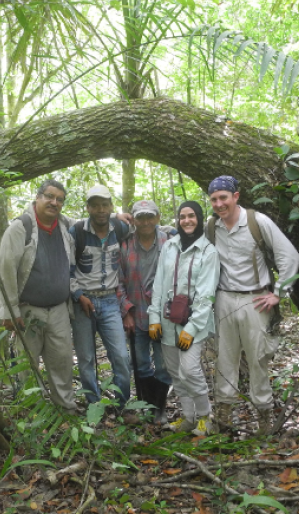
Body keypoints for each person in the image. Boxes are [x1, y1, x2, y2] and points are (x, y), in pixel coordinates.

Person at [208, 175, 299, 435]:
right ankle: (224, 420)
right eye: (214, 199)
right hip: (224, 299)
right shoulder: (212, 226)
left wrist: (279, 293)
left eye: (223, 197)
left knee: (259, 359)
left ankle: (264, 419)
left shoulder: (257, 222)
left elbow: (288, 255)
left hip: (255, 300)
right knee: (225, 360)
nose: (219, 203)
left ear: (236, 196)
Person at [0, 179, 77, 414]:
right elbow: (6, 269)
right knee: (27, 362)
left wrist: (119, 218)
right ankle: (32, 410)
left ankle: (65, 408)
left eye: (59, 199)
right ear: (38, 197)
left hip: (59, 309)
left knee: (62, 362)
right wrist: (9, 311)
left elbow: (90, 225)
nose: (54, 203)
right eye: (50, 197)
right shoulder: (20, 228)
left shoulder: (64, 225)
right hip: (28, 309)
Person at [148, 201, 220, 435]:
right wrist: (154, 318)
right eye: (182, 217)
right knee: (174, 371)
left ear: (199, 219)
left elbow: (207, 293)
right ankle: (187, 418)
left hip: (194, 322)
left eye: (191, 216)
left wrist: (192, 328)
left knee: (189, 370)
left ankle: (204, 417)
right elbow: (158, 283)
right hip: (168, 319)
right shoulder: (169, 246)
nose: (187, 221)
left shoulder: (208, 251)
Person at [70, 185, 134, 410]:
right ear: (88, 207)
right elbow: (67, 269)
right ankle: (93, 407)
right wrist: (78, 295)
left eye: (105, 205)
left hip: (109, 301)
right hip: (82, 302)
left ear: (111, 206)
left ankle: (122, 407)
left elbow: (147, 228)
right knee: (86, 360)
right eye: (95, 205)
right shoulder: (76, 231)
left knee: (121, 357)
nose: (100, 210)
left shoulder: (120, 228)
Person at [120, 199, 174, 424]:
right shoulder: (124, 245)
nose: (145, 222)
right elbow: (118, 282)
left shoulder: (170, 243)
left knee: (163, 364)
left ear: (157, 218)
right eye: (140, 217)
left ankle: (159, 409)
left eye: (150, 216)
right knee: (140, 363)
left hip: (164, 316)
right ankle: (147, 407)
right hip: (137, 314)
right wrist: (126, 312)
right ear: (133, 220)